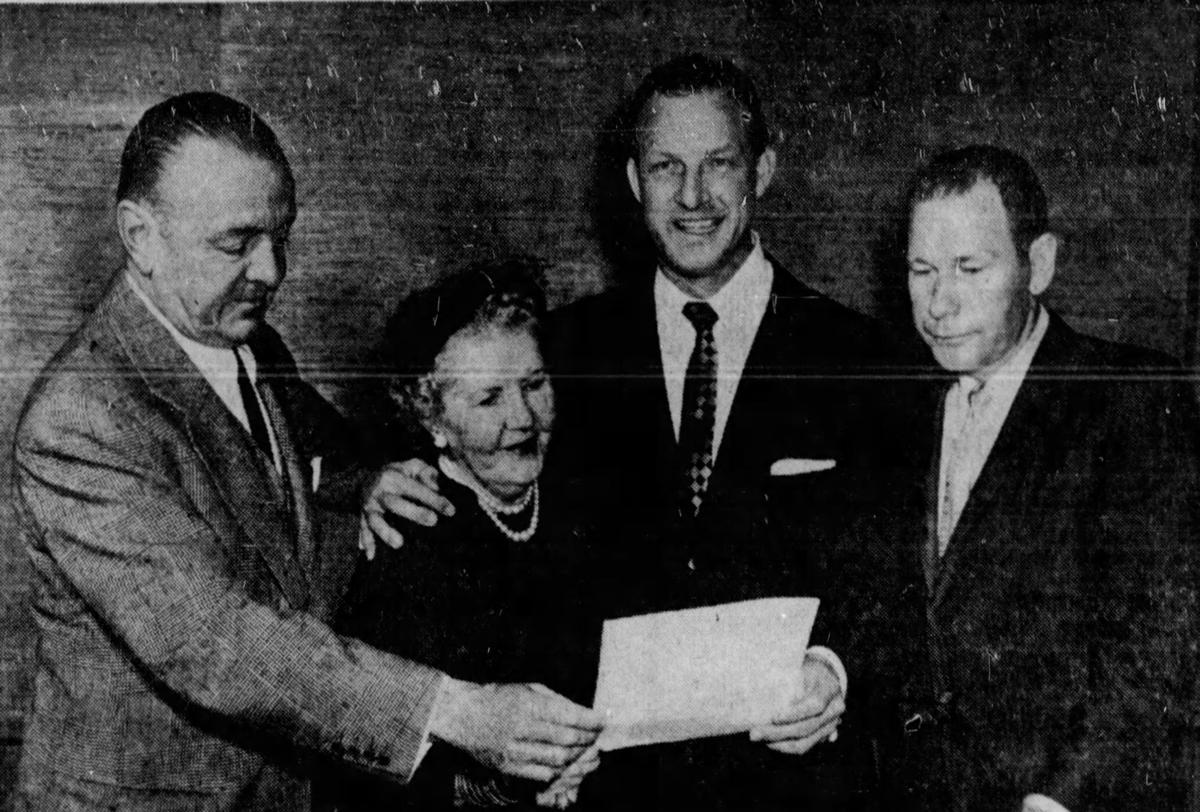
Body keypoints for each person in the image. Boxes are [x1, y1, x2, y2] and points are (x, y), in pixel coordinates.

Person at [13, 91, 602, 811]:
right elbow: (215, 642)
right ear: (140, 236)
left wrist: (366, 481)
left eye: (280, 237)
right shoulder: (82, 418)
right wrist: (457, 711)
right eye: (237, 243)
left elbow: (317, 464)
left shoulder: (251, 345)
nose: (271, 271)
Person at [369, 54, 909, 810]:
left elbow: (903, 577)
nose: (693, 196)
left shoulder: (864, 359)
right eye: (665, 167)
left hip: (798, 791)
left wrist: (837, 669)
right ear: (633, 182)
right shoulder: (561, 353)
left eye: (718, 164)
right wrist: (368, 482)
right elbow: (461, 441)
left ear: (764, 170)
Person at [880, 144, 1200, 811]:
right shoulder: (899, 404)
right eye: (921, 269)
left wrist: (1056, 800)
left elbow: (1154, 649)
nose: (939, 302)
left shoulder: (1132, 399)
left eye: (970, 267)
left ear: (1040, 264)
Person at [325, 261, 604, 810]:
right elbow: (369, 763)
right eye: (488, 399)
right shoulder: (406, 536)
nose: (523, 417)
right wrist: (503, 789)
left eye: (534, 384)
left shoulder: (589, 502)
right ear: (434, 421)